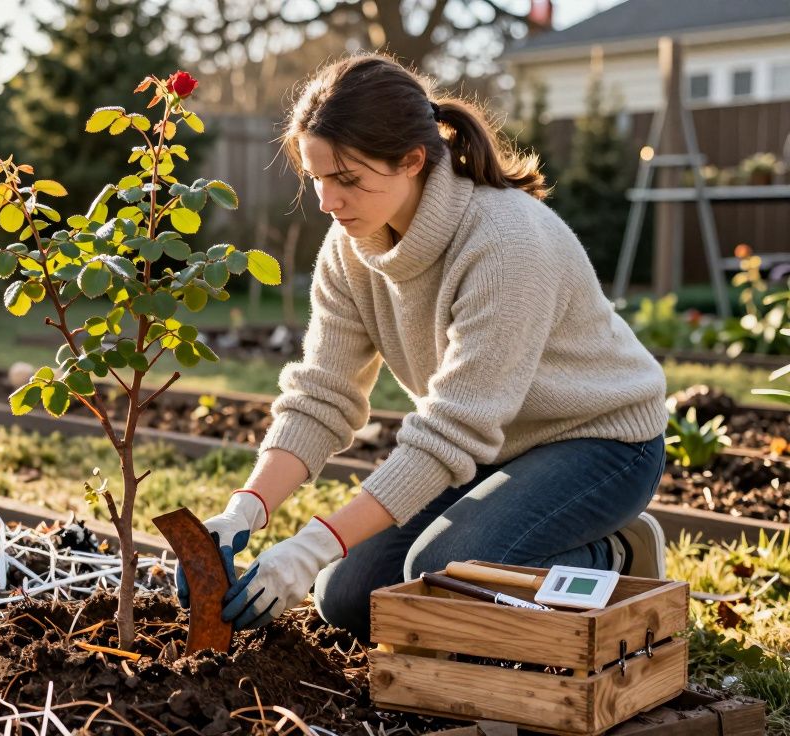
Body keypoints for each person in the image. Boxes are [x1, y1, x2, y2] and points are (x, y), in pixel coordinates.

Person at [177, 54, 669, 641]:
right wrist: (247, 509)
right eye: (316, 178)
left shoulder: (505, 241)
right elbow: (322, 395)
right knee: (350, 598)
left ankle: (612, 553)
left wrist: (311, 544)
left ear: (412, 160)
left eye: (347, 179)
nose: (327, 202)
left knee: (438, 579)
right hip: (495, 449)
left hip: (601, 443)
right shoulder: (348, 249)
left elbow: (452, 428)